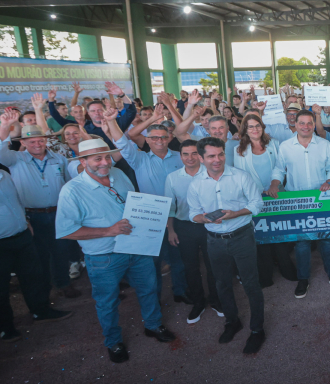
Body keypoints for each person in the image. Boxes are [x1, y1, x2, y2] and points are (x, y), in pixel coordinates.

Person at [57, 139, 174, 363]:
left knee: (149, 289)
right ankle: (113, 342)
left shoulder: (118, 174)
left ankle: (153, 325)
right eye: (97, 158)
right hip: (104, 256)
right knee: (107, 302)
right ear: (83, 162)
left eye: (107, 157)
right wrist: (108, 231)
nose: (104, 162)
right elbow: (67, 231)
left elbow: (133, 204)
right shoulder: (71, 191)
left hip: (136, 247)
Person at [187, 137, 266, 354]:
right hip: (214, 241)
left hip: (242, 236)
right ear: (201, 158)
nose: (217, 159)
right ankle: (232, 322)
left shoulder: (241, 176)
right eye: (211, 156)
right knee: (222, 284)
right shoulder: (195, 184)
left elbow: (257, 204)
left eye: (220, 154)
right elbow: (193, 214)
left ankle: (257, 330)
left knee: (251, 283)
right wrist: (204, 219)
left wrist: (235, 214)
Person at [0, 108, 80, 298]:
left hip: (58, 213)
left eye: (40, 140)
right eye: (31, 141)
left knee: (60, 251)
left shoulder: (59, 159)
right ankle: (45, 289)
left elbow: (68, 184)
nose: (37, 144)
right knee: (38, 256)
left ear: (46, 140)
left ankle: (63, 284)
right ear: (23, 142)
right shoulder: (16, 159)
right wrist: (6, 125)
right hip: (32, 216)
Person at [105, 106, 189, 303]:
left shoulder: (181, 157)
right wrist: (111, 121)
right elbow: (122, 143)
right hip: (152, 218)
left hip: (178, 215)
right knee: (153, 264)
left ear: (169, 138)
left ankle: (181, 291)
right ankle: (156, 299)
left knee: (179, 259)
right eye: (154, 138)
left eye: (163, 137)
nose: (159, 141)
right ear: (148, 140)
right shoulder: (138, 158)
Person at [0, 149, 72, 342]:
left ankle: (41, 312)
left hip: (22, 236)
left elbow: (16, 201)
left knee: (33, 277)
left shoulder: (4, 175)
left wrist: (25, 220)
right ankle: (5, 327)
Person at [278, 110, 330, 298]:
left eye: (309, 123)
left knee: (327, 239)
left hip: (322, 199)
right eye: (302, 123)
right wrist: (274, 183)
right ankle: (303, 279)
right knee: (302, 244)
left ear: (313, 124)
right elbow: (279, 170)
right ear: (295, 124)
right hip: (298, 201)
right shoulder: (285, 146)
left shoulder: (325, 144)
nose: (306, 127)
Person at [233, 113, 297, 288]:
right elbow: (241, 176)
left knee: (280, 235)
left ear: (263, 127)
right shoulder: (238, 149)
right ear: (245, 129)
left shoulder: (274, 144)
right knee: (260, 238)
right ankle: (265, 274)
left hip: (276, 195)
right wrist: (257, 193)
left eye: (258, 125)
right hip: (255, 198)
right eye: (251, 126)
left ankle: (286, 269)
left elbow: (280, 167)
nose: (255, 129)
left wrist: (273, 185)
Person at [164, 139, 221, 324]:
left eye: (194, 153)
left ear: (201, 155)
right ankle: (198, 302)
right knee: (190, 267)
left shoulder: (212, 173)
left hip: (209, 225)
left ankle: (216, 300)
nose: (190, 157)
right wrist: (171, 230)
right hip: (184, 227)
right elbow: (170, 207)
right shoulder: (172, 178)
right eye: (185, 154)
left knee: (213, 265)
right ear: (180, 157)